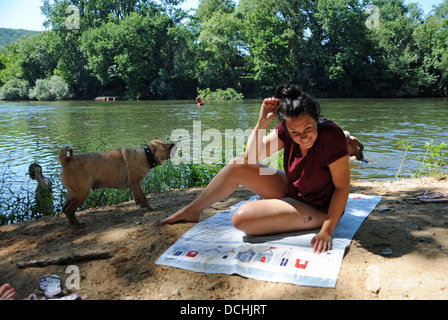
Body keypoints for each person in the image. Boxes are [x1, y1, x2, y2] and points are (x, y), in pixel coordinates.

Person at [162, 84, 350, 254]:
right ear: (286, 128)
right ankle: (192, 210)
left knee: (242, 219)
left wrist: (326, 229)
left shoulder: (332, 136)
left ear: (316, 120)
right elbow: (250, 158)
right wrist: (262, 121)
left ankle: (319, 217)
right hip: (294, 189)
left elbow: (342, 187)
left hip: (318, 206)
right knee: (237, 165)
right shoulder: (286, 131)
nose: (303, 136)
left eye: (308, 128)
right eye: (295, 132)